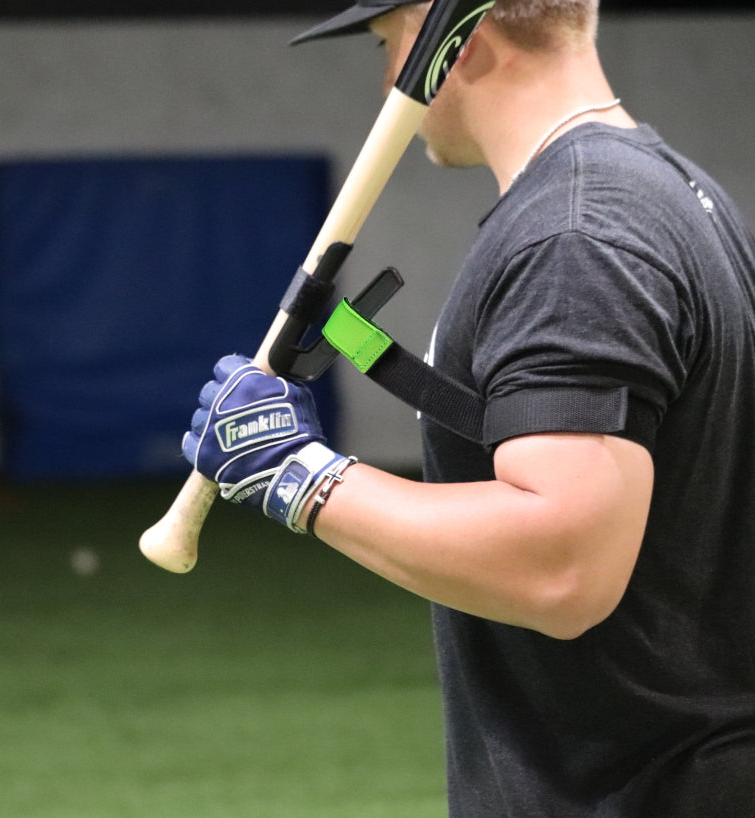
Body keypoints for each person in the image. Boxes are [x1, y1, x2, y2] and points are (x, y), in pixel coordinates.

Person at [182, 1, 755, 814]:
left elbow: (564, 567)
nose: (387, 82)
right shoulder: (663, 190)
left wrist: (299, 476)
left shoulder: (579, 233)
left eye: (388, 48)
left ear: (455, 43)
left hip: (640, 789)